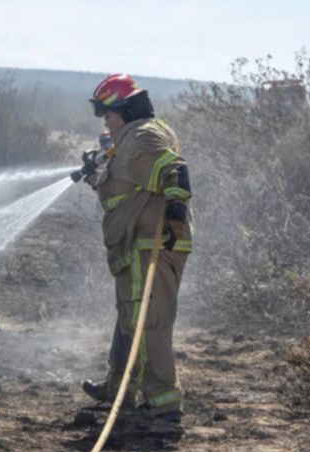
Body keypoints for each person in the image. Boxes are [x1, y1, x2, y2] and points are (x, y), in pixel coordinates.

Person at [80, 74, 193, 425]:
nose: (105, 122)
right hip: (135, 246)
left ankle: (163, 406)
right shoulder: (130, 139)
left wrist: (175, 209)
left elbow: (174, 171)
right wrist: (96, 171)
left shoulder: (143, 136)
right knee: (130, 320)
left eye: (108, 115)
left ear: (125, 110)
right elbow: (126, 180)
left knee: (150, 323)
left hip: (152, 244)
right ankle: (120, 390)